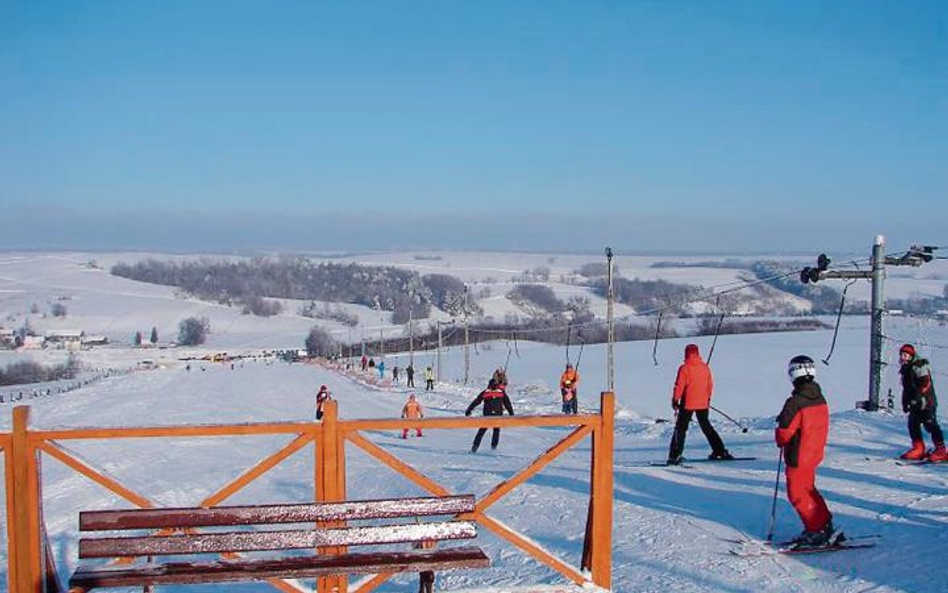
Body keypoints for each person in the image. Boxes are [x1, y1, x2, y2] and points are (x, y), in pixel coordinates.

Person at [776, 355, 842, 548]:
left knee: (797, 493)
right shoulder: (819, 398)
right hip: (813, 453)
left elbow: (784, 433)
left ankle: (817, 530)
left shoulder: (795, 402)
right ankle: (823, 524)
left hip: (798, 455)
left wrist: (781, 438)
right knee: (808, 490)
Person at [666, 344, 732, 464]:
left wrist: (675, 400)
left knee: (680, 428)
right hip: (703, 403)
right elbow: (710, 385)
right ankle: (720, 451)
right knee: (706, 427)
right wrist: (707, 398)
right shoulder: (705, 367)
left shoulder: (684, 368)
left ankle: (675, 455)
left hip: (687, 403)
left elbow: (679, 386)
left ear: (686, 353)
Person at [898, 344, 946, 461]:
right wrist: (905, 401)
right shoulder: (905, 369)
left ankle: (941, 450)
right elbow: (907, 388)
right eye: (902, 355)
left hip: (926, 402)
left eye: (906, 355)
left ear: (911, 355)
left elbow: (925, 383)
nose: (903, 357)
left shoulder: (919, 366)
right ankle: (918, 448)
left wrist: (918, 397)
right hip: (915, 403)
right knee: (913, 424)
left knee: (930, 424)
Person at [465, 379, 514, 452]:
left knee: (485, 431)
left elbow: (477, 401)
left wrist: (469, 410)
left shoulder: (489, 392)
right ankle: (489, 447)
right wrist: (511, 414)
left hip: (491, 415)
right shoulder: (498, 392)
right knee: (494, 431)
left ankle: (477, 446)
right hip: (494, 415)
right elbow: (507, 404)